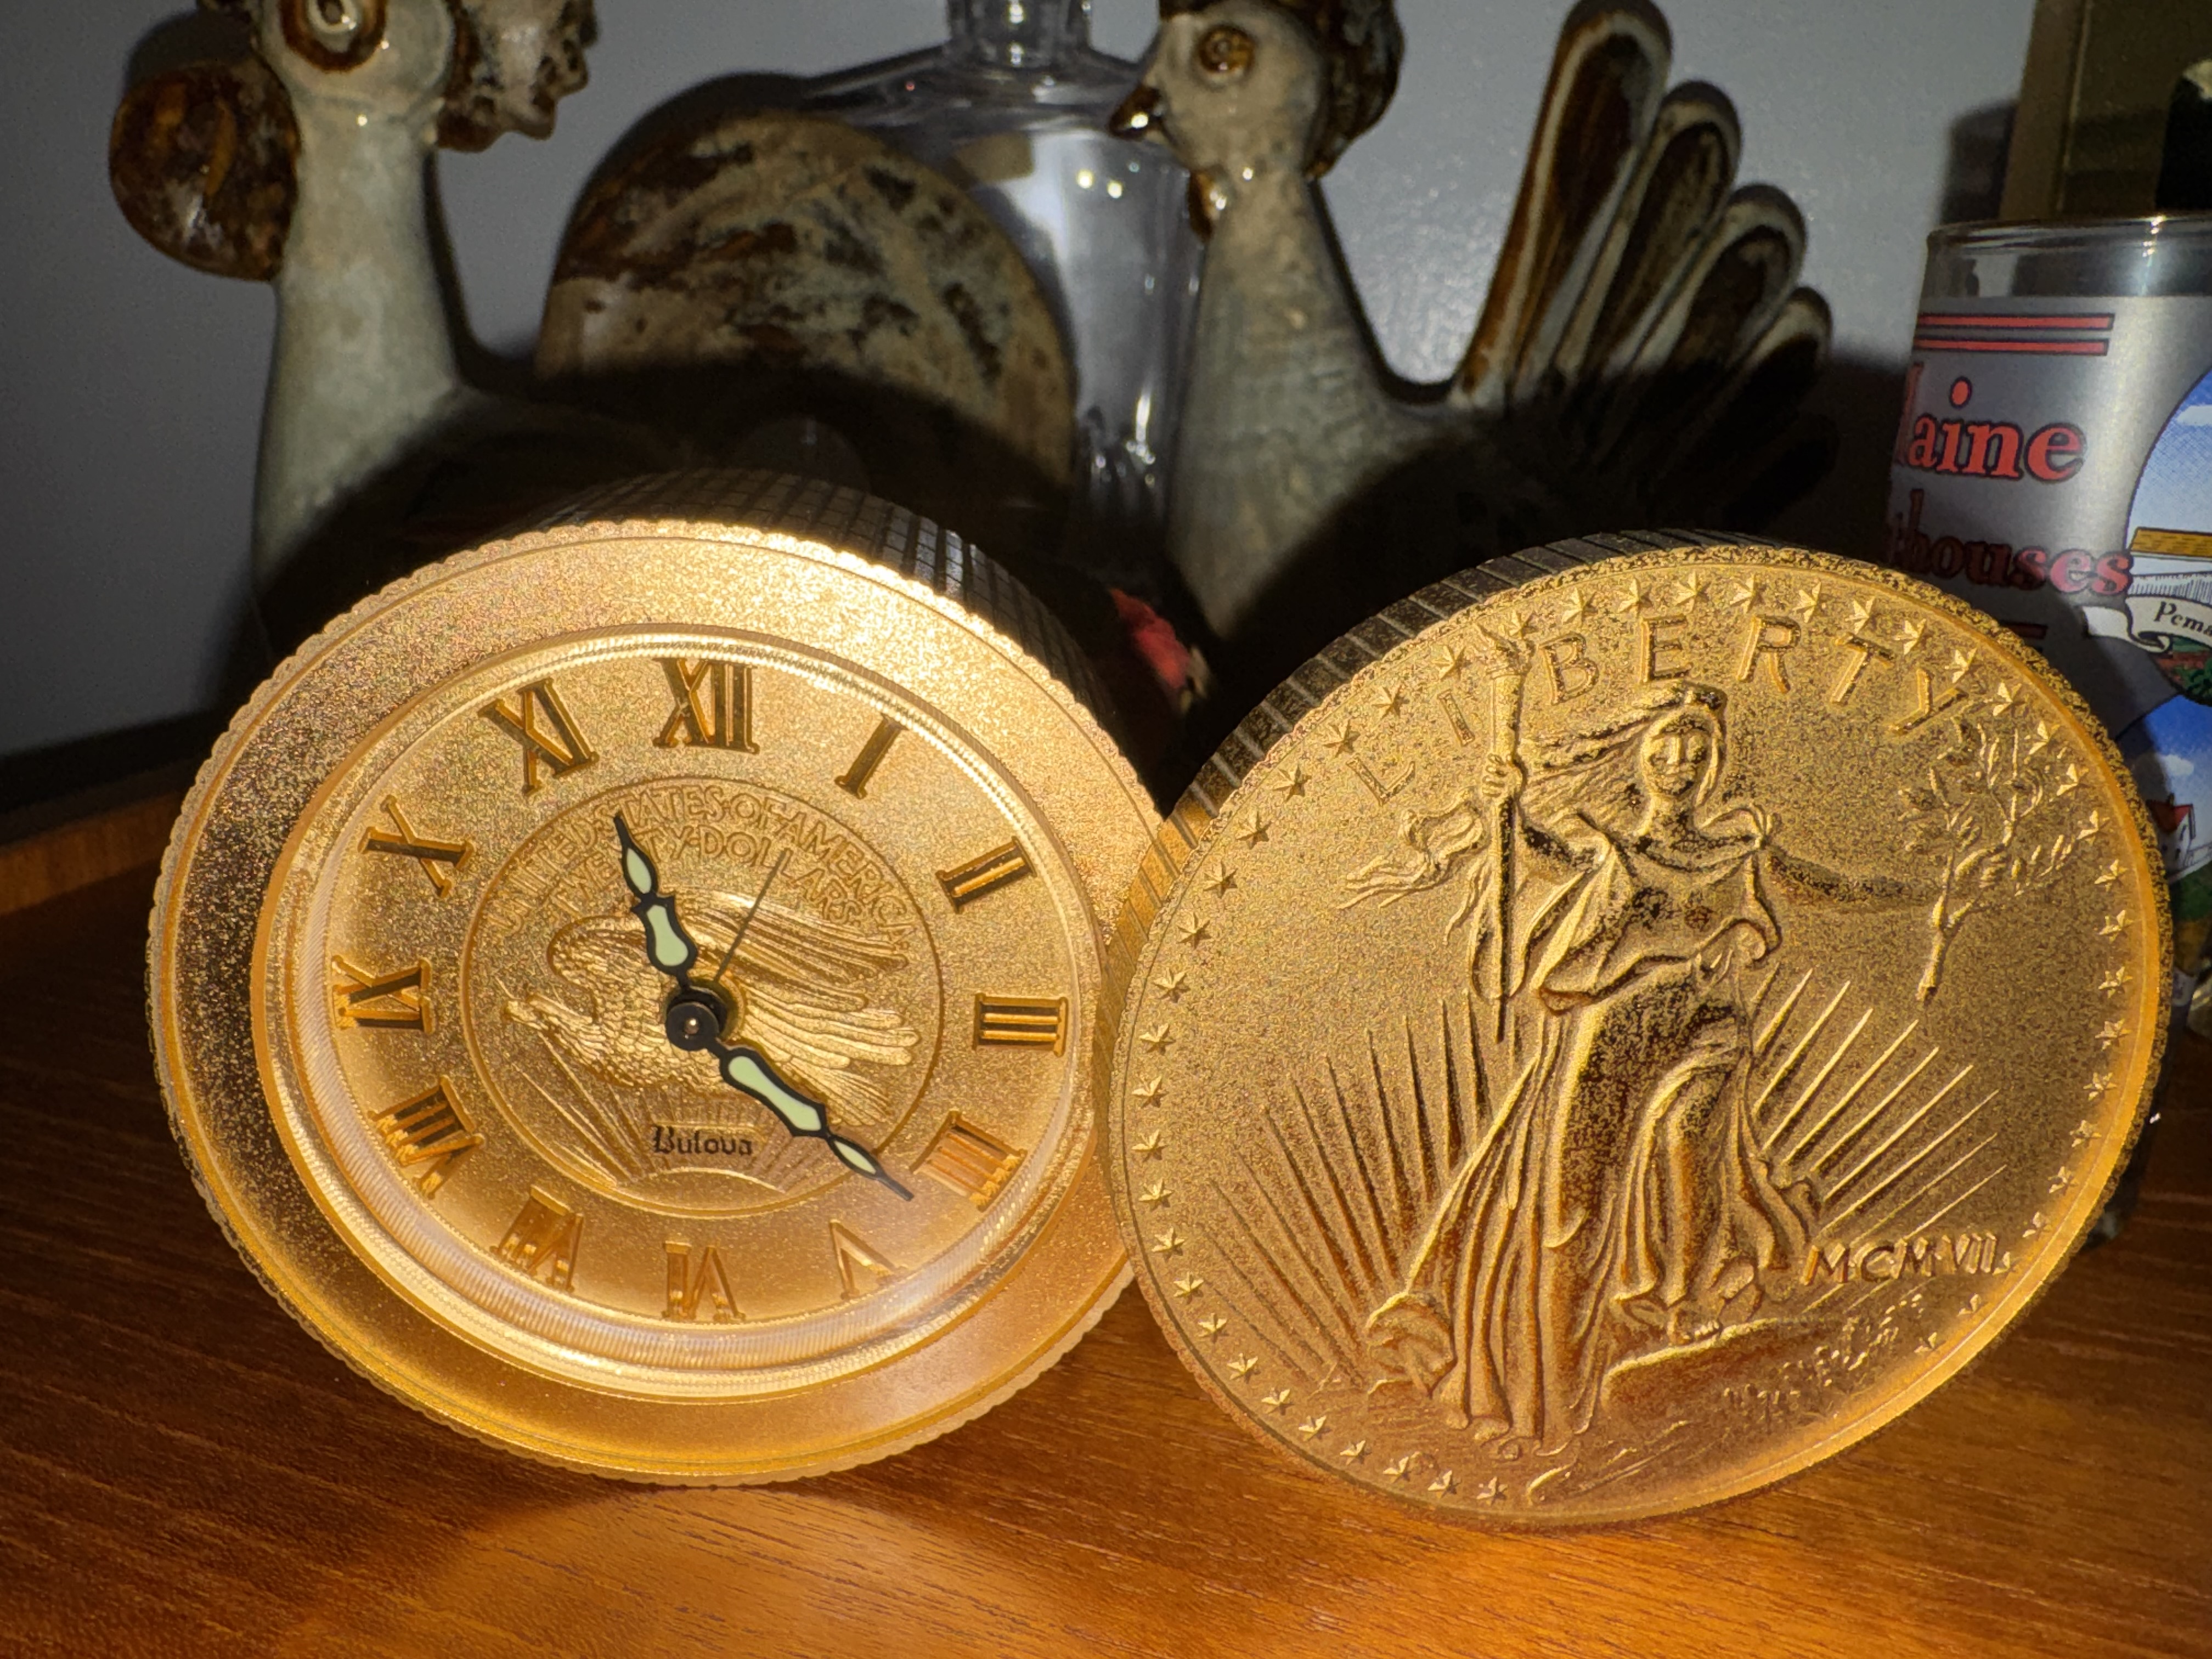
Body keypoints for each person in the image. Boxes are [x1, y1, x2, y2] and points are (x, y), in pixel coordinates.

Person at [1347, 680, 1925, 1455]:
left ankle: (1682, 1307)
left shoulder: (1739, 853)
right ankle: (1550, 1400)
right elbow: (1542, 854)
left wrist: (1934, 889)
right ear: (1640, 759)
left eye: (1697, 749)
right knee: (1571, 1216)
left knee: (1690, 1137)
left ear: (1718, 762)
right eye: (1665, 747)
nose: (1680, 762)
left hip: (1705, 1026)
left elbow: (1831, 887)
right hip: (1611, 1032)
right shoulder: (1609, 848)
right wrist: (1508, 805)